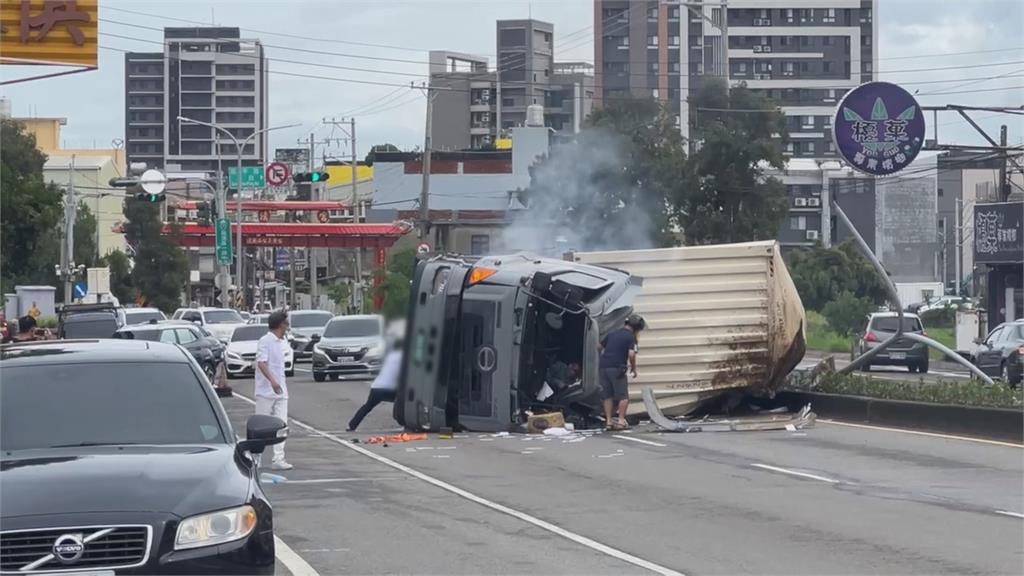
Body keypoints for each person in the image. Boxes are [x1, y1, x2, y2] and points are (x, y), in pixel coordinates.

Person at [255, 310, 292, 470]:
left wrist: (279, 385)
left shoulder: (281, 342)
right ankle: (256, 458)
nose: (288, 328)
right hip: (265, 392)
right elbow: (261, 363)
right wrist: (272, 381)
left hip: (281, 392)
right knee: (261, 427)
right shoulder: (265, 341)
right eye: (286, 324)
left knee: (282, 425)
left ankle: (278, 458)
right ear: (280, 325)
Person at [598, 314, 645, 431]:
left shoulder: (612, 333)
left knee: (607, 396)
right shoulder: (630, 337)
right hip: (617, 368)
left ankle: (608, 422)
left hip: (604, 367)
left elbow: (599, 346)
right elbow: (631, 354)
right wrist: (633, 368)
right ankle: (620, 421)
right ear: (637, 328)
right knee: (623, 397)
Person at [347, 338, 403, 432]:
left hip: (376, 386)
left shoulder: (391, 356)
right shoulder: (402, 356)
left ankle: (351, 425)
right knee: (404, 401)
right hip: (388, 388)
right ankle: (404, 422)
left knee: (367, 406)